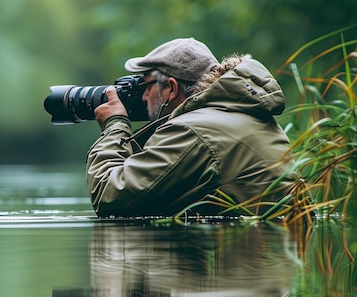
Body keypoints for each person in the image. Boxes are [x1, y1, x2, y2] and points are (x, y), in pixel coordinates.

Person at [87, 37, 297, 217]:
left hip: (250, 255)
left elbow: (109, 197)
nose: (143, 97)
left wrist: (115, 126)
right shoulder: (246, 115)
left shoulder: (191, 131)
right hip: (273, 253)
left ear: (171, 88)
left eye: (146, 86)